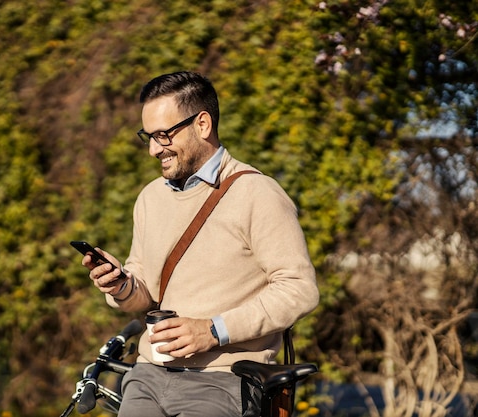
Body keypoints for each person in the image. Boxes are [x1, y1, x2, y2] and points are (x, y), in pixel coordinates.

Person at [80, 71, 319, 417]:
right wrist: (121, 284)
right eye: (147, 137)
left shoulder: (258, 194)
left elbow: (299, 289)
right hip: (146, 376)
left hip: (221, 382)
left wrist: (213, 331)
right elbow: (145, 293)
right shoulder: (150, 198)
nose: (152, 149)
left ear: (202, 124)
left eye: (163, 135)